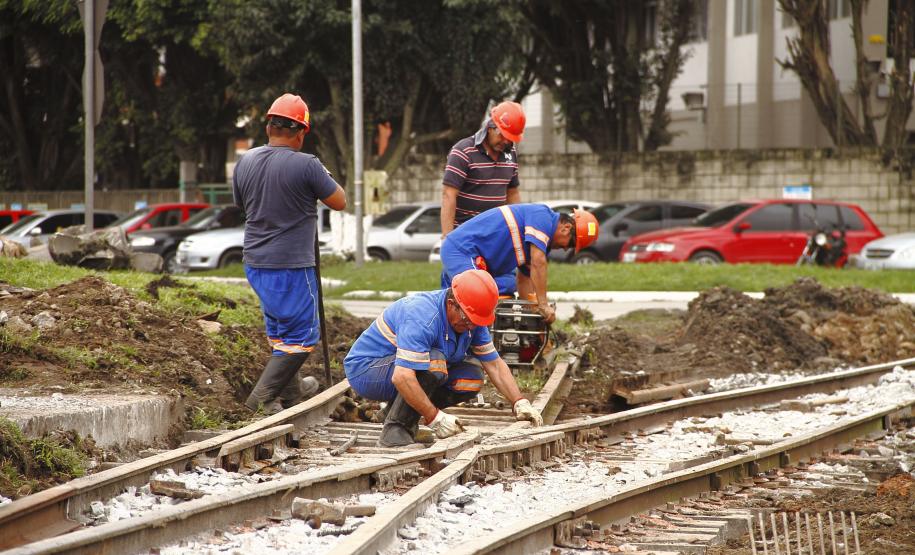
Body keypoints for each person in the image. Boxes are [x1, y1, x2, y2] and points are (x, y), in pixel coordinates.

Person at [233, 93, 347, 414]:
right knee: (302, 336)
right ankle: (259, 401)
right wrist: (320, 172)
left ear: (269, 127)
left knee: (281, 330)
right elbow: (340, 202)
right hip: (292, 265)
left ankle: (291, 394)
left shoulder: (246, 161)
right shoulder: (307, 164)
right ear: (300, 132)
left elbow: (242, 205)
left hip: (255, 261)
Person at [344, 269, 543, 447]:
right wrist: (435, 418)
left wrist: (519, 402)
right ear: (451, 304)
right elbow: (402, 377)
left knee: (470, 378)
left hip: (403, 370)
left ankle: (395, 415)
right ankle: (395, 431)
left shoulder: (471, 318)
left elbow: (494, 365)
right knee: (434, 362)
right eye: (468, 320)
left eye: (476, 322)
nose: (471, 327)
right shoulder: (422, 315)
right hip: (367, 370)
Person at [439, 204, 599, 324]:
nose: (565, 249)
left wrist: (532, 317)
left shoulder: (538, 240)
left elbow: (525, 280)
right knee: (478, 299)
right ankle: (478, 353)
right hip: (462, 251)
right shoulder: (542, 216)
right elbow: (538, 263)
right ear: (566, 228)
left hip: (475, 258)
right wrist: (543, 304)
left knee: (507, 286)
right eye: (570, 244)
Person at [440, 101, 526, 238]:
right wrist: (447, 237)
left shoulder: (511, 153)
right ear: (491, 127)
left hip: (496, 234)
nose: (505, 142)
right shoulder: (463, 151)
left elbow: (513, 194)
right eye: (502, 135)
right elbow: (449, 195)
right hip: (465, 234)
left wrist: (519, 231)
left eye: (510, 138)